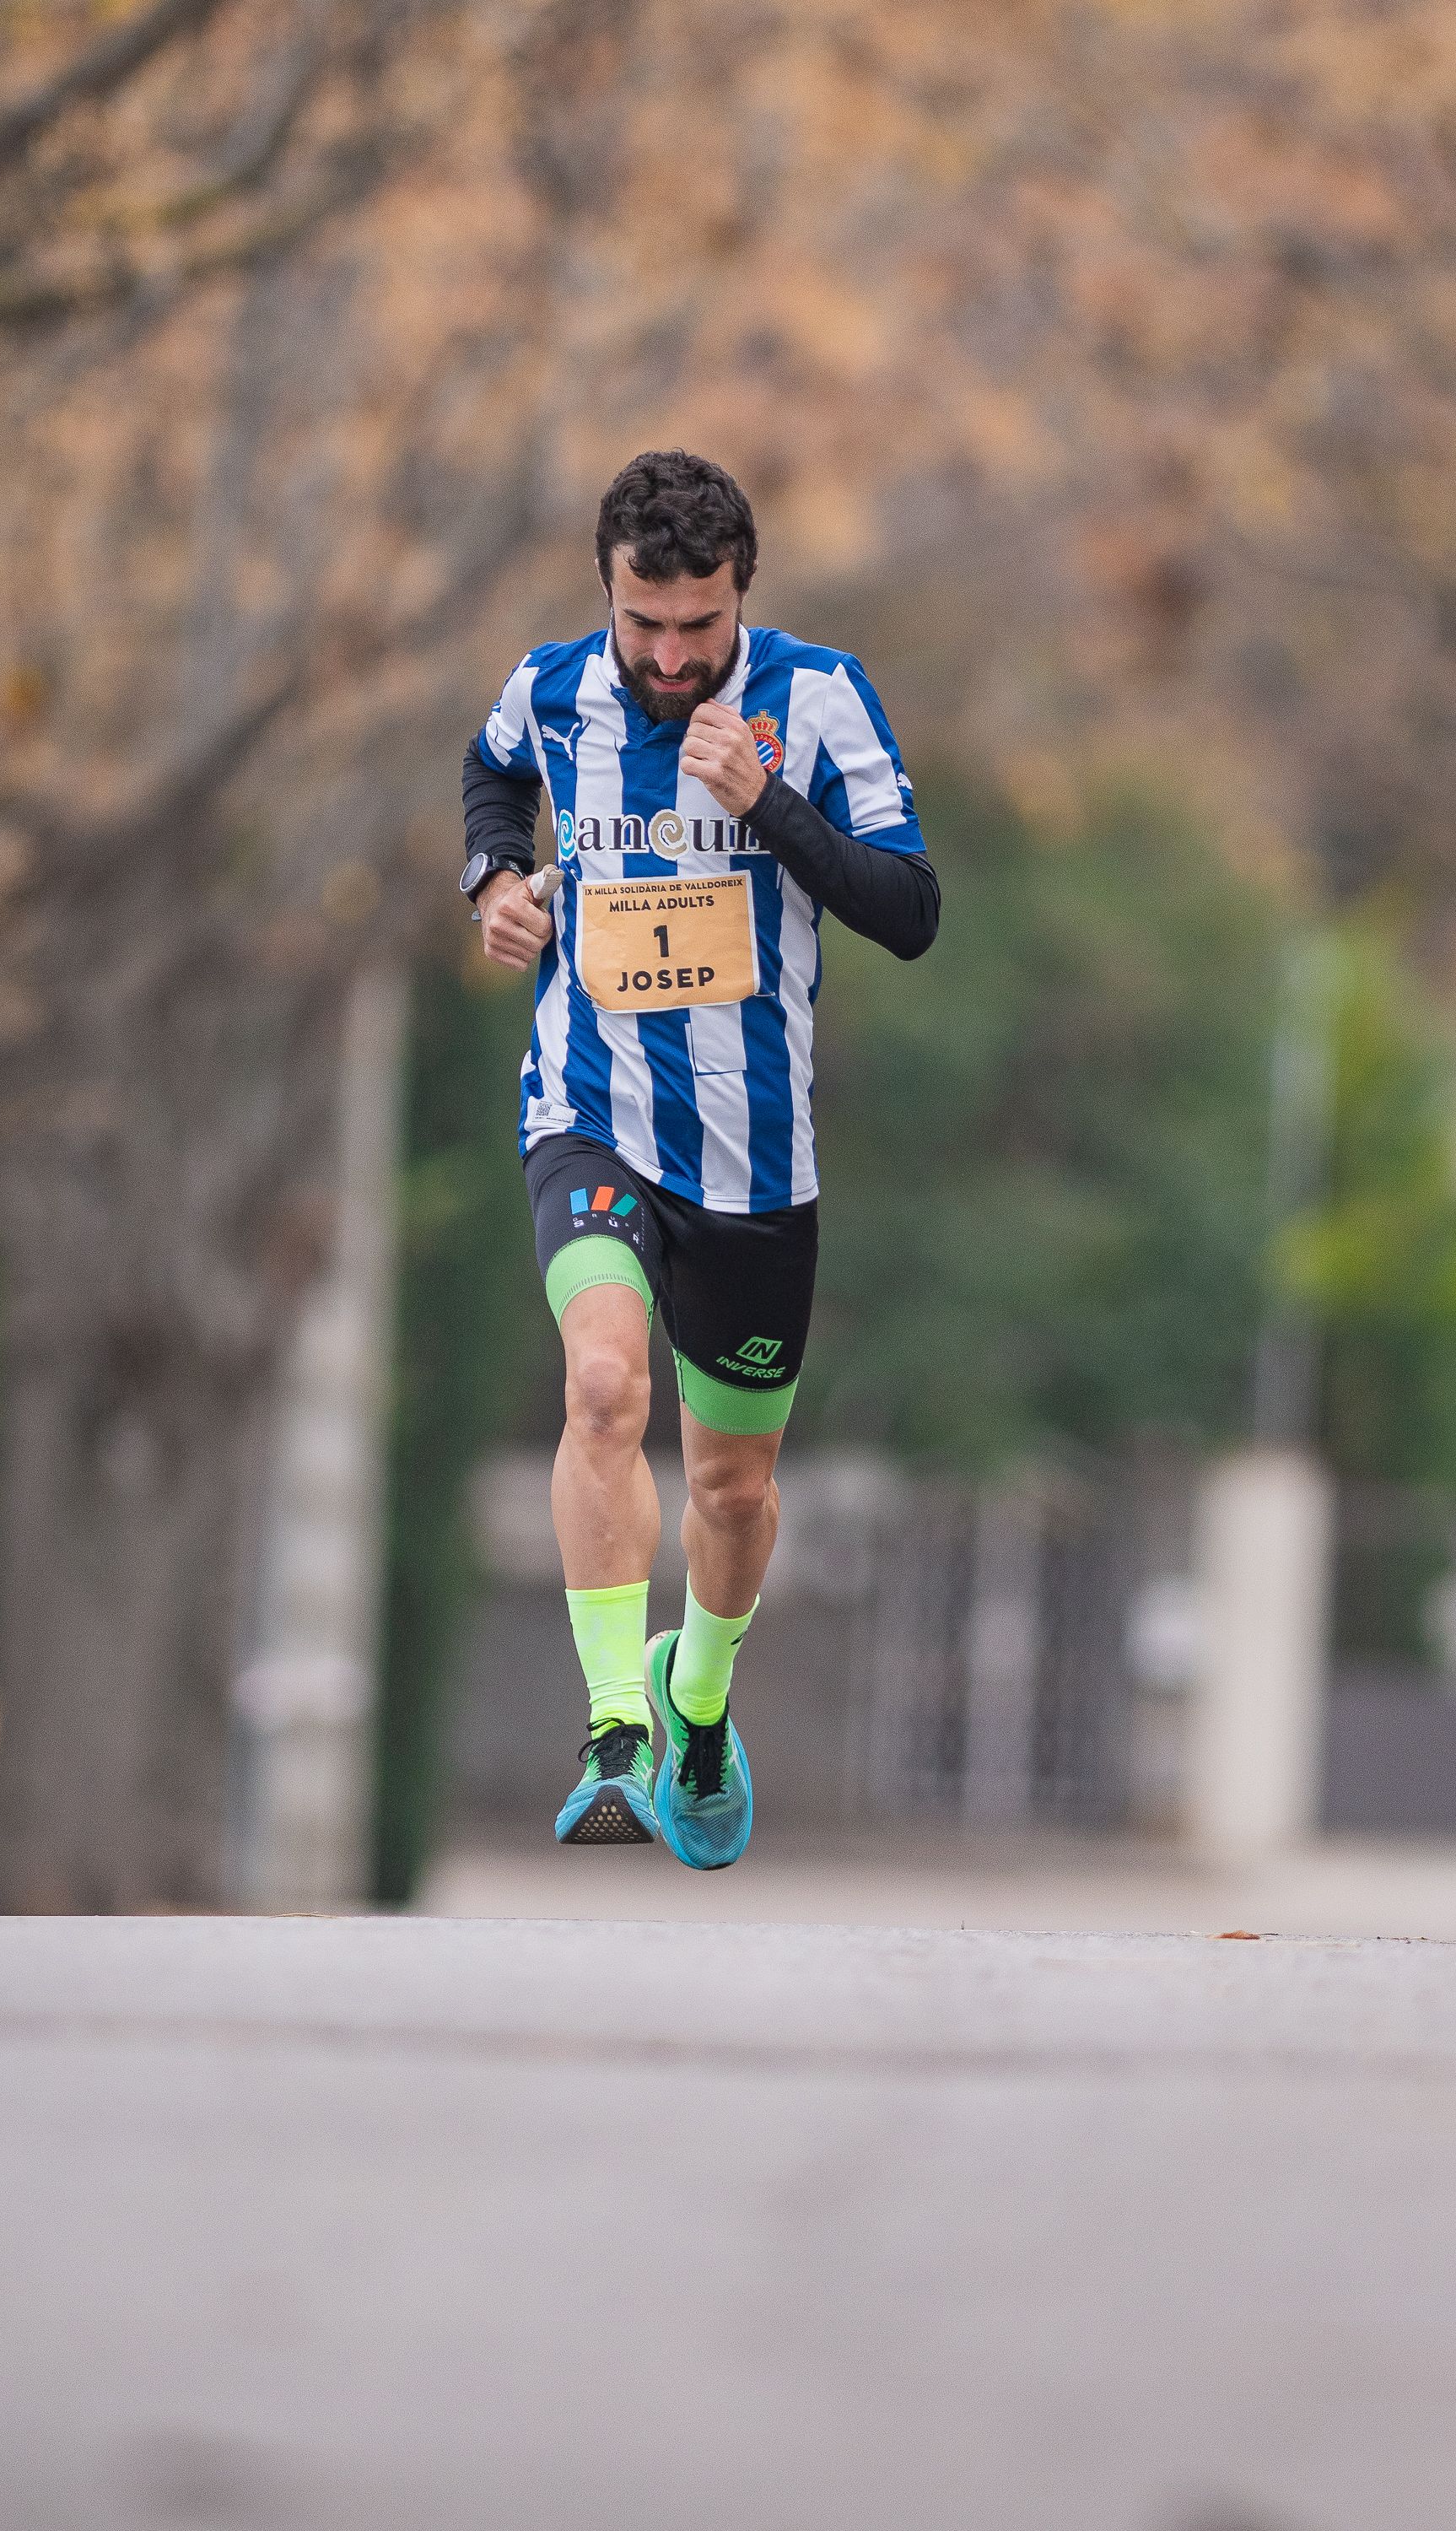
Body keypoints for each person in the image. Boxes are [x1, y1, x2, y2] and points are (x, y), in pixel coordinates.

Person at [461, 448, 938, 1867]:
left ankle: (700, 1696)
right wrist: (494, 883)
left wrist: (772, 809)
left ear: (745, 599)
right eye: (643, 624)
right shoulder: (548, 691)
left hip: (753, 1159)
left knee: (734, 1490)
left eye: (700, 628)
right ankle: (614, 1727)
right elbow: (491, 778)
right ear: (606, 594)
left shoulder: (820, 698)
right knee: (602, 1385)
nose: (670, 657)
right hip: (588, 1111)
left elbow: (910, 910)